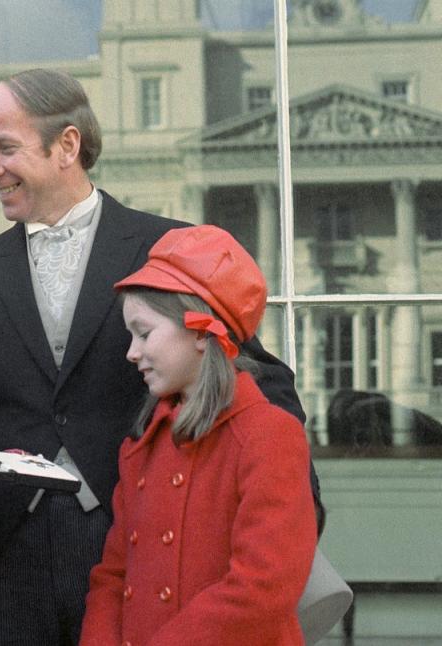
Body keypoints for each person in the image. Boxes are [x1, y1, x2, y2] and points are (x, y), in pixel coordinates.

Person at [0, 68, 317, 645]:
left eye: (5, 148)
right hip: (5, 555)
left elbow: (262, 383)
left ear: (68, 146)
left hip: (133, 551)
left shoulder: (170, 249)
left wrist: (285, 511)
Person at [79, 224, 317, 645]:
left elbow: (263, 589)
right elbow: (112, 577)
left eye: (145, 332)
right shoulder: (141, 447)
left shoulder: (269, 435)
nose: (131, 352)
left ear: (204, 333)